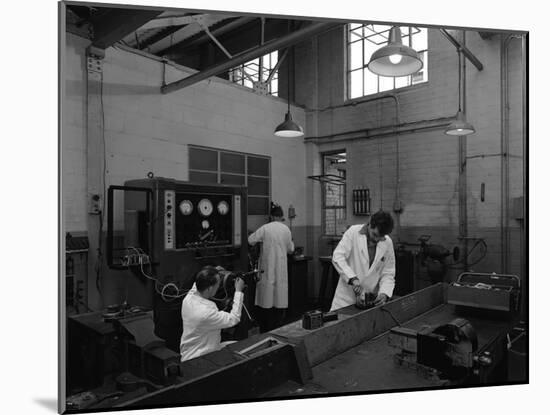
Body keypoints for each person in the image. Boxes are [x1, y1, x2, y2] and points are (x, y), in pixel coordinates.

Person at [330, 210, 396, 311]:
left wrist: (384, 293)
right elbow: (337, 257)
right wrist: (353, 279)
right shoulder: (353, 232)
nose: (377, 240)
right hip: (345, 301)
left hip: (370, 302)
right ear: (370, 224)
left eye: (381, 237)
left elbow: (388, 273)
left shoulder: (387, 243)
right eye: (375, 235)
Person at [180, 265, 245, 362]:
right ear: (210, 289)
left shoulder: (189, 298)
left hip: (191, 349)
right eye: (218, 284)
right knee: (241, 351)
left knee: (236, 344)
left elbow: (197, 283)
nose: (219, 286)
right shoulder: (205, 313)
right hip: (200, 357)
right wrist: (238, 292)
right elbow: (234, 318)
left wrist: (213, 271)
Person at [248, 202, 295, 332]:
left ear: (271, 216)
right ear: (281, 216)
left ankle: (266, 328)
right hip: (281, 269)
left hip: (267, 268)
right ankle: (278, 327)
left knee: (266, 297)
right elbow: (291, 249)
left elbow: (250, 240)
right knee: (279, 296)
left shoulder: (265, 228)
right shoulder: (286, 229)